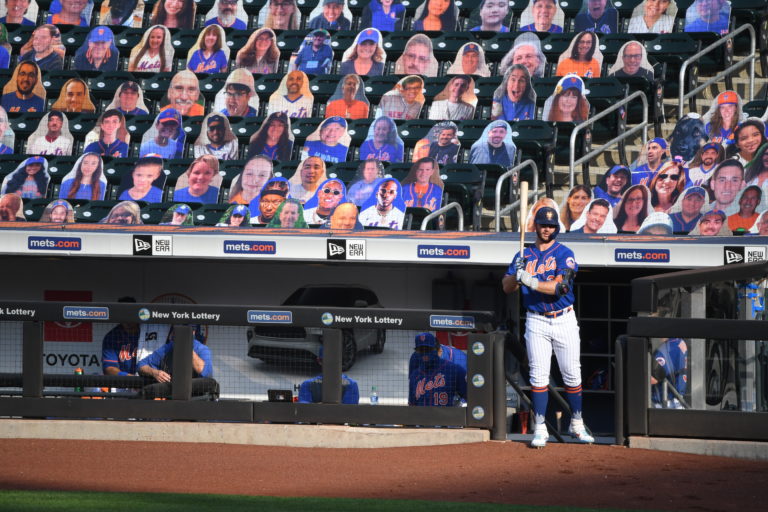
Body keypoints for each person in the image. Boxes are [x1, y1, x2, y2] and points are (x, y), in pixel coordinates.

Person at [502, 207, 594, 447]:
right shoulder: (524, 254)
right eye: (544, 224)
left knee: (572, 373)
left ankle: (577, 423)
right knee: (538, 375)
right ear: (536, 226)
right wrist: (516, 274)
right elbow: (506, 286)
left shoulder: (565, 253)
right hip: (535, 319)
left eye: (552, 226)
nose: (547, 229)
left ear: (557, 229)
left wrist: (529, 280)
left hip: (564, 318)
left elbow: (560, 287)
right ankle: (540, 427)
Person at [409, 332, 467, 406]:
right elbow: (413, 389)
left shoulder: (459, 358)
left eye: (428, 350)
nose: (424, 354)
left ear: (439, 350)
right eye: (421, 350)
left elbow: (467, 392)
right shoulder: (415, 358)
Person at [137, 328, 213, 382]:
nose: (181, 334)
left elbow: (206, 374)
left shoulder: (202, 349)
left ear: (193, 332)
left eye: (185, 331)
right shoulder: (168, 347)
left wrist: (188, 348)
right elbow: (141, 365)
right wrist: (155, 372)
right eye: (178, 331)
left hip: (197, 395)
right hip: (172, 394)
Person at [101, 297, 141, 376]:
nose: (126, 319)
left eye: (129, 314)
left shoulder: (146, 333)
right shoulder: (112, 336)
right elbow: (109, 368)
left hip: (146, 381)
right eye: (123, 315)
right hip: (122, 383)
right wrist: (131, 379)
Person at [651, 338, 687, 409]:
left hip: (666, 404)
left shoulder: (667, 348)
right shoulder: (680, 341)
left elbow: (654, 378)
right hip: (677, 401)